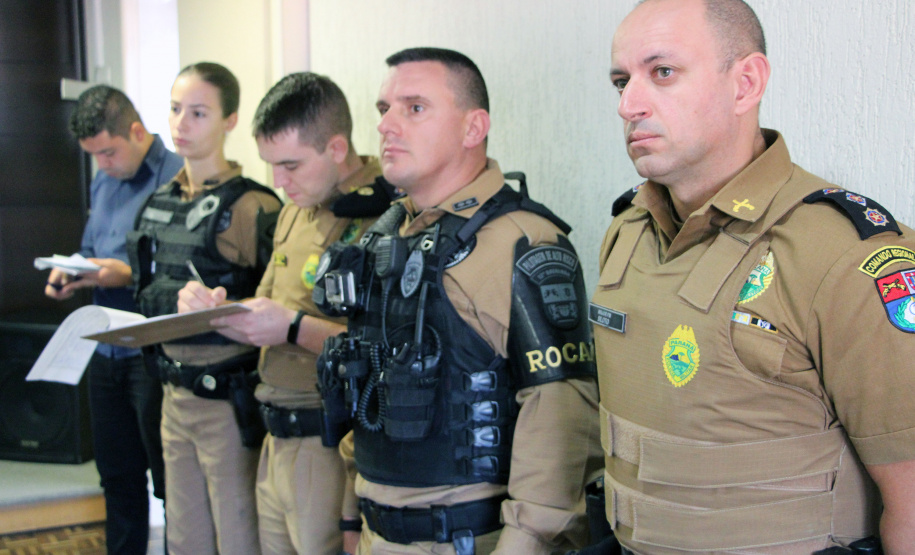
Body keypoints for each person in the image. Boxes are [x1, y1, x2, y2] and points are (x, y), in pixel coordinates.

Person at [591, 0, 915, 553]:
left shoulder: (842, 252)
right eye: (622, 80)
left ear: (746, 83)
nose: (629, 104)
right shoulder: (628, 233)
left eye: (662, 72)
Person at [313, 47, 603, 555]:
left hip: (470, 540)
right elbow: (367, 390)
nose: (386, 126)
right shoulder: (381, 239)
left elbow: (561, 416)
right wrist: (350, 515)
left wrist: (528, 543)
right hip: (376, 531)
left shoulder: (524, 243)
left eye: (414, 108)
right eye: (384, 110)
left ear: (474, 128)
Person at [175, 72, 395, 554]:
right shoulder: (297, 205)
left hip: (327, 440)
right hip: (273, 430)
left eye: (291, 164)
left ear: (337, 148)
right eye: (272, 165)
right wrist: (212, 308)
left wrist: (291, 328)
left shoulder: (385, 216)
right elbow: (268, 302)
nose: (279, 182)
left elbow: (383, 349)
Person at [126, 62, 282, 555]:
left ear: (229, 120)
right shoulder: (156, 204)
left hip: (228, 398)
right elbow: (142, 292)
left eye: (198, 112)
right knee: (184, 536)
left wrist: (223, 307)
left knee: (238, 534)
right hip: (172, 393)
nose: (181, 123)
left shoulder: (254, 205)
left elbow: (278, 306)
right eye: (175, 110)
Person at [45, 85, 181, 555]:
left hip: (153, 350)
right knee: (117, 477)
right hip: (104, 346)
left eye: (107, 152)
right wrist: (72, 270)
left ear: (137, 131)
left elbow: (183, 268)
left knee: (168, 480)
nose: (101, 164)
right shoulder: (103, 179)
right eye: (93, 156)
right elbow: (90, 247)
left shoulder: (178, 177)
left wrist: (127, 272)